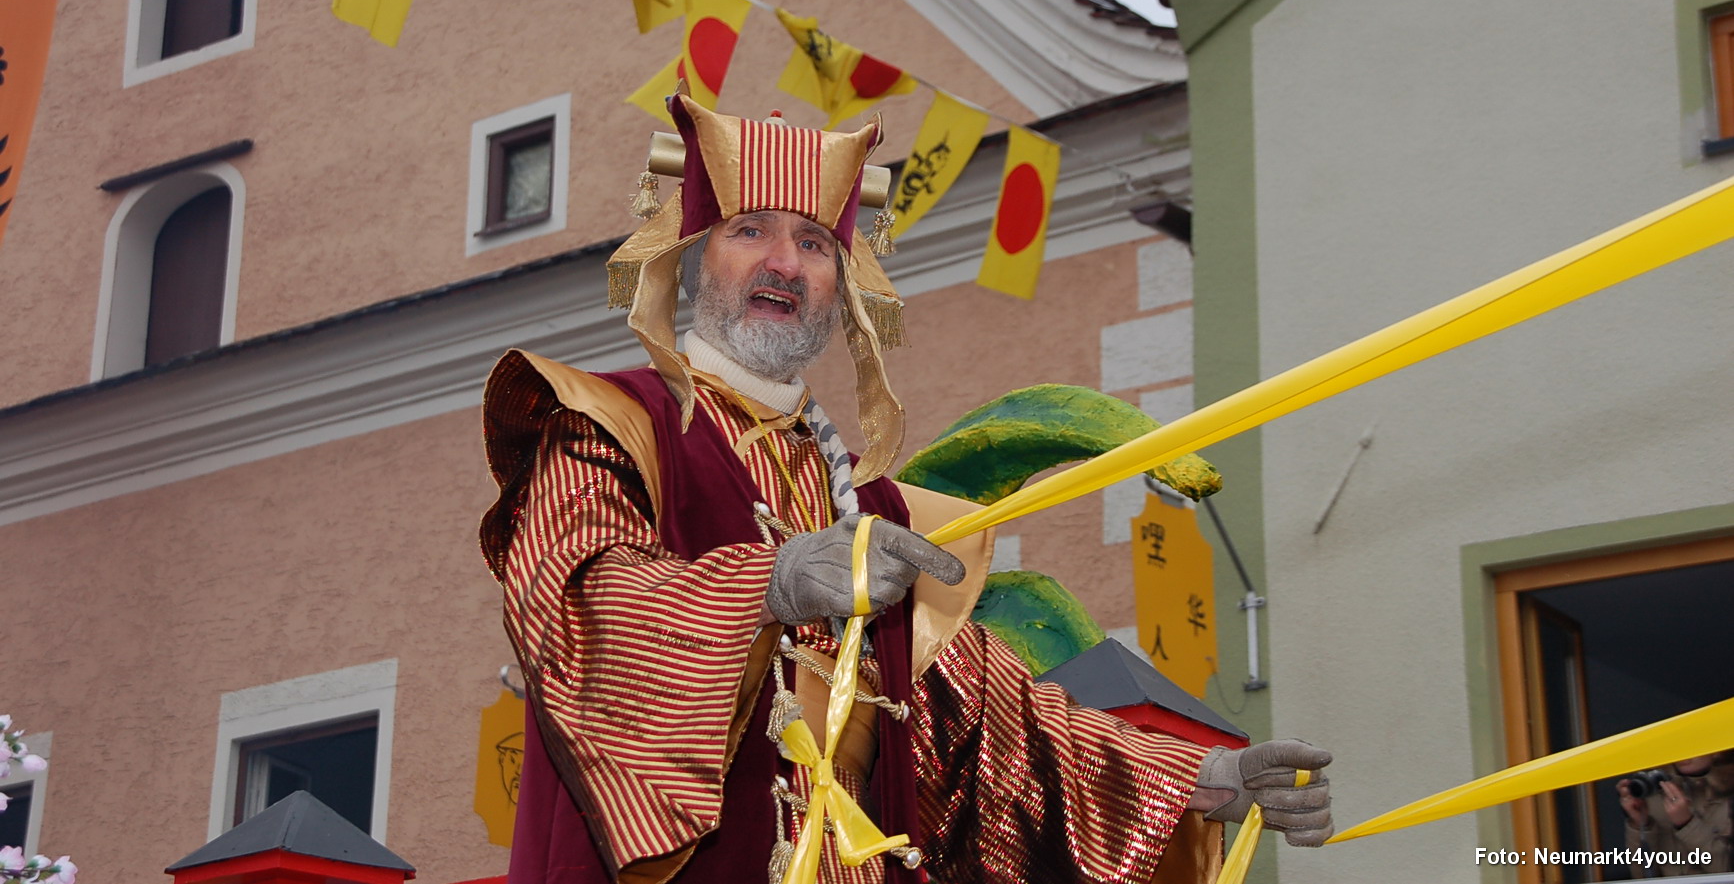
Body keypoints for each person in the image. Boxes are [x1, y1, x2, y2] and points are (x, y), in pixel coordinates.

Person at [478, 92, 1336, 883]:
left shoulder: (873, 507)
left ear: (842, 290)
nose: (785, 263)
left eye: (815, 244)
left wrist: (1201, 778)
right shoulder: (606, 422)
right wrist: (766, 583)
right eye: (752, 232)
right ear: (696, 260)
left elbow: (997, 728)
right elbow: (575, 597)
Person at [1620, 752, 1734, 876]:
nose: (1684, 752)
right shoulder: (1656, 793)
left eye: (1693, 743)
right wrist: (1641, 824)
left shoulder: (1728, 797)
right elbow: (1642, 875)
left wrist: (1687, 824)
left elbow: (1726, 871)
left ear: (1717, 752)